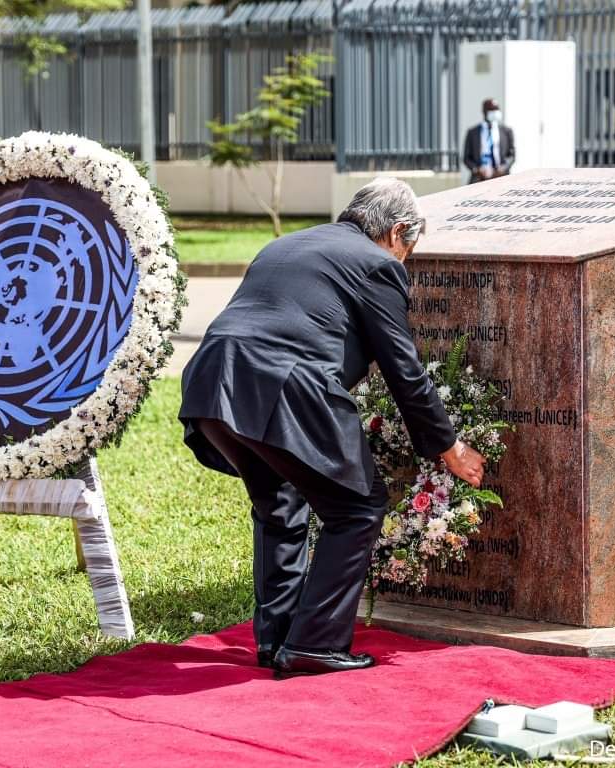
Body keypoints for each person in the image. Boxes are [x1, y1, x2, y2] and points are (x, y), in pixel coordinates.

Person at [179, 178, 486, 678]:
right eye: (412, 245)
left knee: (280, 502)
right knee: (357, 505)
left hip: (213, 383)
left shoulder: (286, 244)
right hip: (286, 384)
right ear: (396, 231)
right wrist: (447, 445)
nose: (408, 257)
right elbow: (402, 367)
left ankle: (276, 640)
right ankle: (314, 644)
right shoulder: (378, 264)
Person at [462, 98, 515, 183]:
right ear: (484, 112)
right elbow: (466, 158)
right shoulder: (472, 132)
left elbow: (512, 155)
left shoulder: (507, 131)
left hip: (501, 177)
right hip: (479, 178)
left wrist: (503, 168)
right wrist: (477, 170)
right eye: (492, 110)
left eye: (496, 109)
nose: (495, 112)